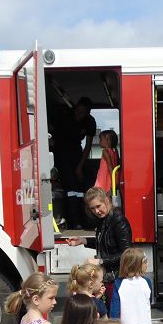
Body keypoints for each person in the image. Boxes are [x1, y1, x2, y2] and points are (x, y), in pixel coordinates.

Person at [67, 187, 132, 305]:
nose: (96, 211)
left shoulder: (119, 221)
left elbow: (127, 254)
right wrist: (83, 241)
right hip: (107, 276)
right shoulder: (103, 219)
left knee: (113, 314)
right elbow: (105, 242)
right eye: (92, 208)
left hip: (117, 278)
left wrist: (101, 261)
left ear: (107, 201)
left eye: (98, 206)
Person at [51, 97, 96, 229]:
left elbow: (87, 146)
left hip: (76, 153)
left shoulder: (89, 122)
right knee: (70, 186)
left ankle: (82, 220)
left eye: (82, 113)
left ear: (87, 113)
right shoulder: (64, 114)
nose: (78, 114)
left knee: (80, 187)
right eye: (77, 110)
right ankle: (73, 221)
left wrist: (80, 168)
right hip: (59, 152)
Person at [109, 248, 152, 324]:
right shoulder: (147, 282)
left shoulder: (118, 283)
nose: (148, 264)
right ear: (137, 265)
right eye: (145, 261)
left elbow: (114, 311)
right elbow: (149, 301)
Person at [94, 129, 120, 194]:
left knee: (100, 195)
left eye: (101, 139)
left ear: (108, 141)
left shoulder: (105, 152)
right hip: (111, 177)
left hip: (103, 177)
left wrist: (114, 182)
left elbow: (110, 167)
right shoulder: (115, 151)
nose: (99, 141)